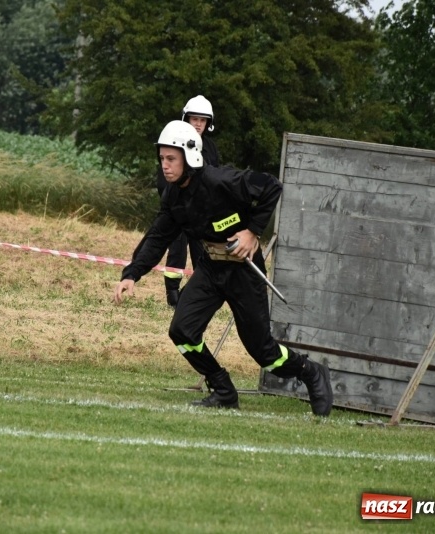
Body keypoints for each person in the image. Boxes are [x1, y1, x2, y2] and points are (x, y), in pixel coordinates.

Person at [113, 120, 333, 416]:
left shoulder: (222, 181)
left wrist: (252, 231)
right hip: (210, 269)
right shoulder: (173, 196)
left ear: (189, 156)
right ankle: (223, 390)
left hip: (243, 271)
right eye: (162, 159)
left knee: (264, 353)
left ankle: (310, 372)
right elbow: (158, 236)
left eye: (171, 159)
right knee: (182, 331)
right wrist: (131, 274)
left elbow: (271, 186)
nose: (164, 166)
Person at [157, 95, 220, 307]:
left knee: (201, 253)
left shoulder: (210, 149)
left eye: (203, 120)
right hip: (178, 210)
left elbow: (216, 179)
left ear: (208, 123)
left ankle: (193, 292)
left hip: (201, 212)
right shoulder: (173, 141)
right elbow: (163, 176)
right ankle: (172, 295)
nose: (198, 124)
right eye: (195, 119)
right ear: (187, 118)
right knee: (176, 248)